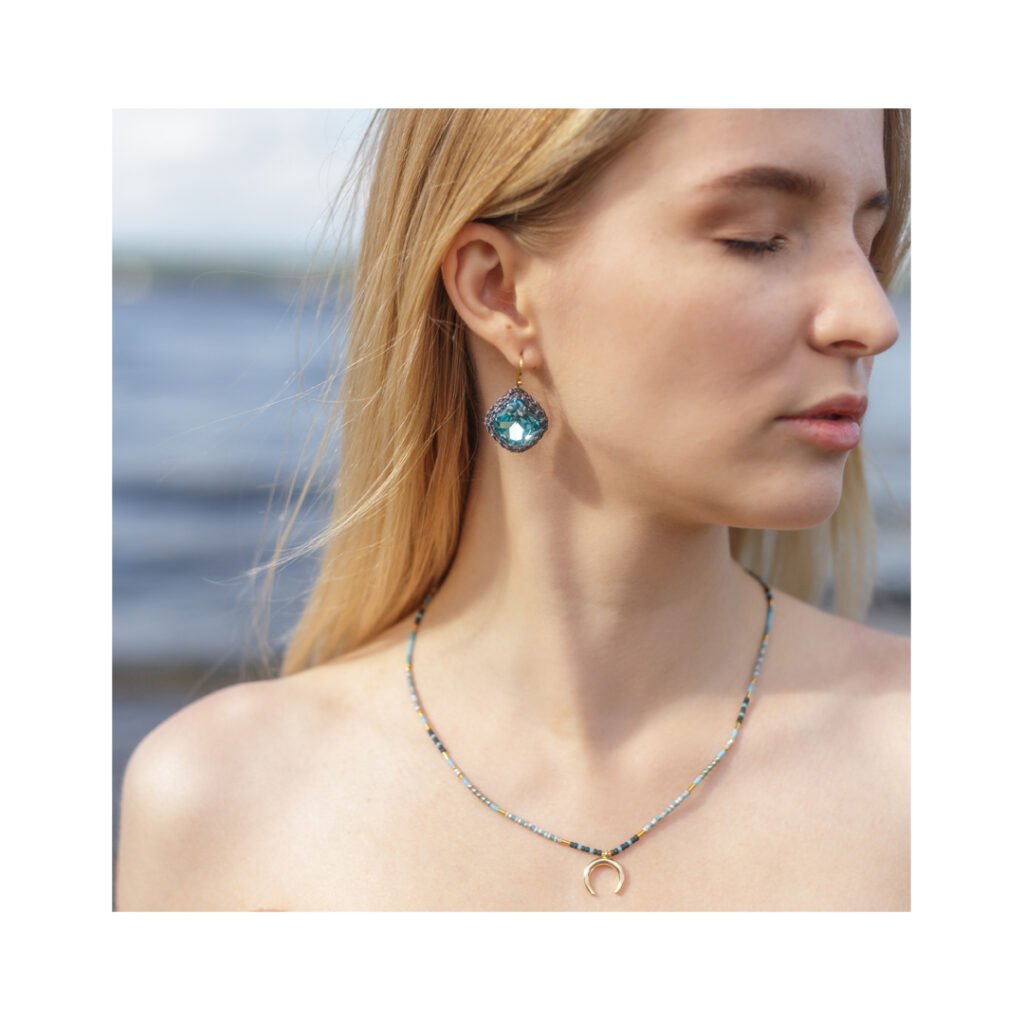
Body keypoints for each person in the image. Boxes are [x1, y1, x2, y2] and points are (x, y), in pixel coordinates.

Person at [116, 108, 910, 911]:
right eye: (758, 238)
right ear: (498, 291)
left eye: (867, 241)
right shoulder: (221, 806)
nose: (873, 318)